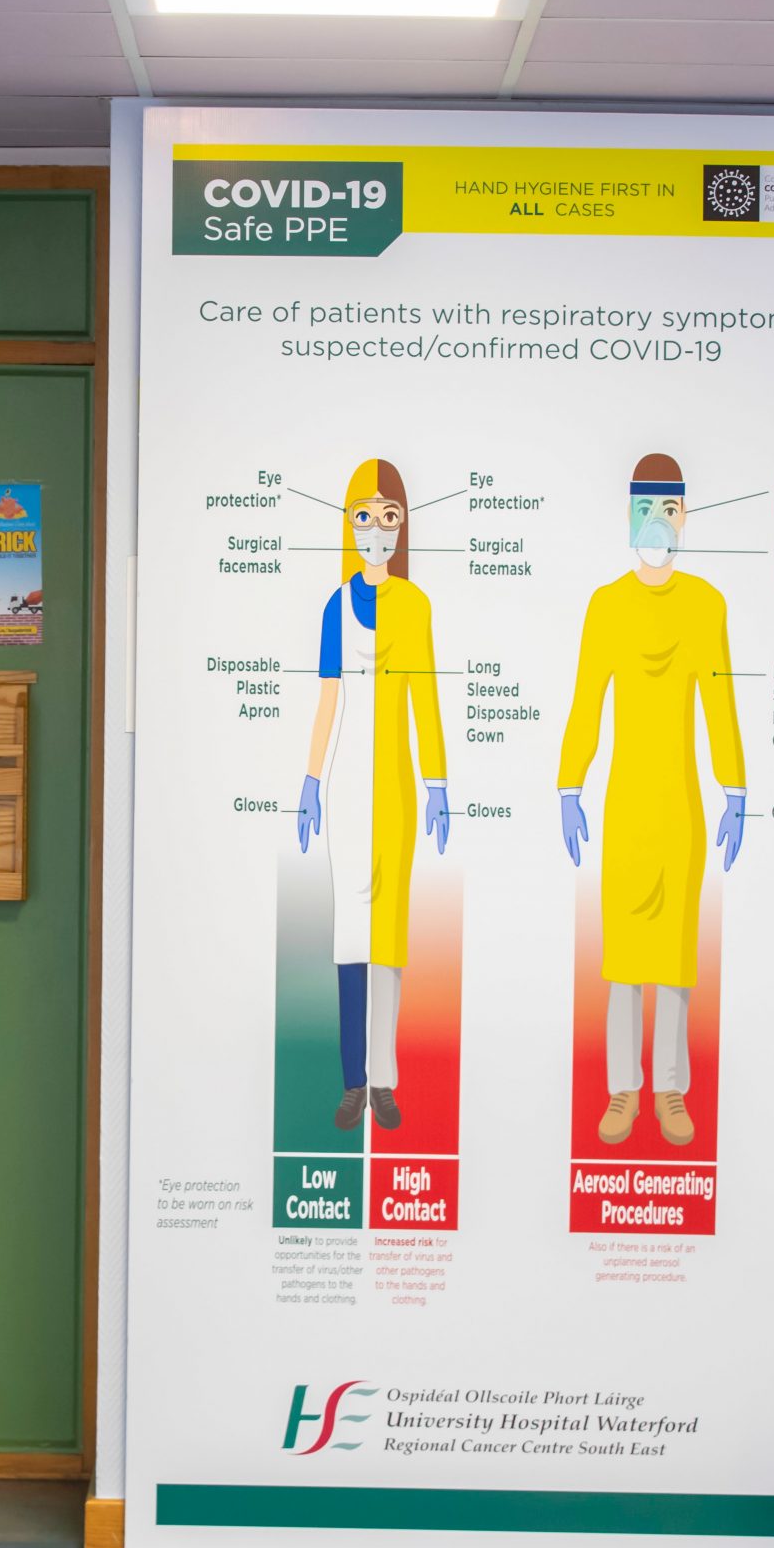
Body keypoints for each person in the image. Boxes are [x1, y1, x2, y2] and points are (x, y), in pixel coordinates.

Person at [558, 453, 746, 1145]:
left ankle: (669, 1089)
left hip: (681, 809)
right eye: (646, 508)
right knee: (624, 958)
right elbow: (586, 700)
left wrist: (734, 788)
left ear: (685, 516)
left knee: (672, 957)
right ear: (629, 515)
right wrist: (570, 784)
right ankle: (622, 1090)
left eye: (669, 509)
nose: (658, 522)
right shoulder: (607, 606)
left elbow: (720, 705)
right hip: (626, 805)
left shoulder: (705, 605)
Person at [295, 458, 450, 1131]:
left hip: (396, 794)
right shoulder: (336, 606)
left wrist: (436, 782)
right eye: (365, 515)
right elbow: (328, 699)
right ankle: (352, 1082)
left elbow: (426, 701)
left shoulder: (414, 606)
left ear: (403, 526)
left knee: (388, 939)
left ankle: (384, 1079)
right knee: (349, 937)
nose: (377, 529)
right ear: (348, 524)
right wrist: (311, 780)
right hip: (349, 790)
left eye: (390, 517)